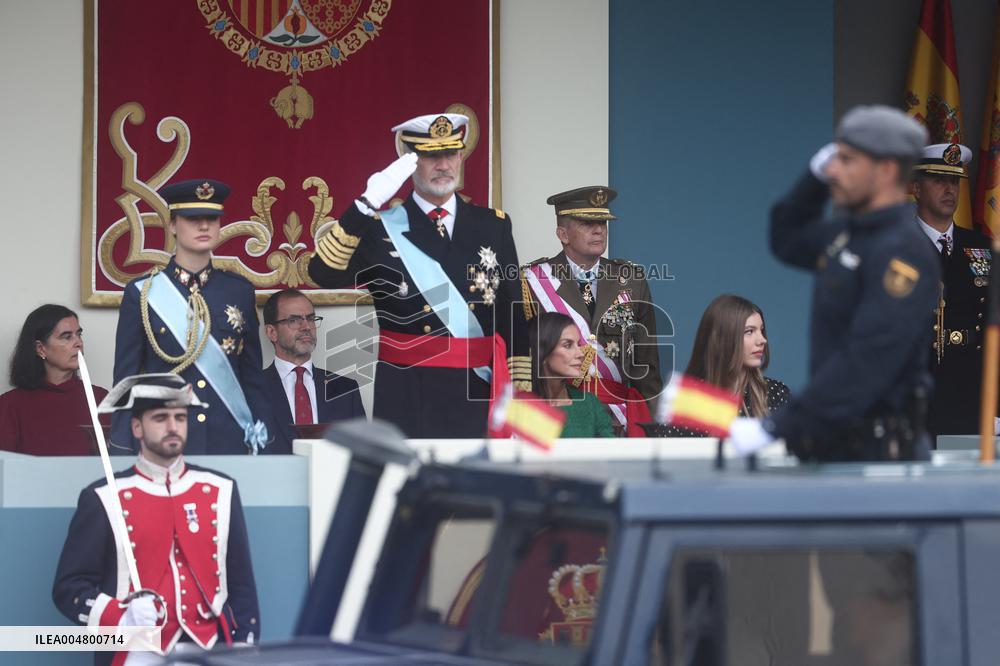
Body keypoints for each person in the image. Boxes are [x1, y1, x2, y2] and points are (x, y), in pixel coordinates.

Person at [730, 105, 940, 462]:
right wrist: (813, 180)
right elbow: (786, 238)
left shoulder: (904, 252)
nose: (833, 170)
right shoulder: (847, 233)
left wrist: (778, 426)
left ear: (887, 169)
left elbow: (867, 360)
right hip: (833, 447)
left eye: (846, 160)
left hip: (879, 456)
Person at [307, 113, 528, 438]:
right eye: (431, 155)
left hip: (478, 389)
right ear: (410, 163)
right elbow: (322, 275)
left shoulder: (492, 225)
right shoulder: (380, 227)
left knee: (476, 485)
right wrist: (365, 206)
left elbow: (512, 311)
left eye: (451, 154)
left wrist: (520, 386)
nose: (444, 165)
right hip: (407, 391)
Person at [52, 374, 260, 664]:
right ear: (137, 427)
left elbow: (241, 585)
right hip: (136, 650)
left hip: (210, 648)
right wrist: (119, 613)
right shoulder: (103, 496)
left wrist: (243, 648)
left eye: (180, 417)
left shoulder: (221, 490)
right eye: (161, 418)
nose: (173, 427)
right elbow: (69, 588)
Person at [112, 179, 275, 454]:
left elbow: (252, 379)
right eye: (192, 218)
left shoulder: (239, 291)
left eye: (212, 218)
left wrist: (266, 444)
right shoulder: (142, 293)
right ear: (173, 225)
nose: (204, 226)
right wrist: (122, 447)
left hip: (229, 438)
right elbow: (126, 380)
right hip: (166, 442)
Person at [521, 186, 662, 436]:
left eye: (603, 223)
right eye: (587, 223)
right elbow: (523, 363)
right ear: (563, 234)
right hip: (561, 416)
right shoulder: (532, 282)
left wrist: (653, 427)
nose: (599, 230)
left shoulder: (631, 279)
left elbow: (646, 367)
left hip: (620, 419)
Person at [912, 143, 994, 436]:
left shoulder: (983, 247)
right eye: (939, 180)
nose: (950, 190)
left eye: (954, 181)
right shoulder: (894, 247)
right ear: (917, 189)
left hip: (972, 399)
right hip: (915, 400)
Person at [660, 295, 789, 437]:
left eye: (761, 330)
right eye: (749, 331)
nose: (762, 340)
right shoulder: (687, 401)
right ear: (724, 339)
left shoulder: (777, 395)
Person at [262, 289, 366, 453]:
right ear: (271, 332)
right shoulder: (252, 389)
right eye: (294, 320)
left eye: (310, 319)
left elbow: (362, 453)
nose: (306, 327)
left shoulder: (345, 389)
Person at [0, 304, 108, 455]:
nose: (78, 343)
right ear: (41, 349)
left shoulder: (103, 400)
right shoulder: (9, 406)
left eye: (79, 334)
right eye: (66, 336)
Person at [529, 312, 615, 438]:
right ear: (543, 352)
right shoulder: (520, 407)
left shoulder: (590, 404)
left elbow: (611, 452)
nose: (580, 353)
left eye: (578, 344)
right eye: (567, 345)